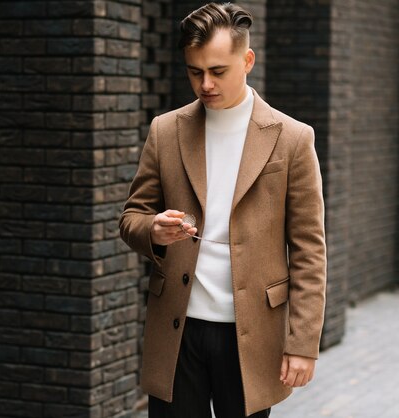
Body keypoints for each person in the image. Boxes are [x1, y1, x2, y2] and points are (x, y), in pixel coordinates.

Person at [119, 3, 327, 417]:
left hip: (251, 335)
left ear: (247, 60)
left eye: (218, 71)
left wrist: (303, 344)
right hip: (177, 329)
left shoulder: (292, 138)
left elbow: (309, 249)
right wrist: (153, 232)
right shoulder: (166, 130)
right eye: (195, 72)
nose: (205, 84)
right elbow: (132, 218)